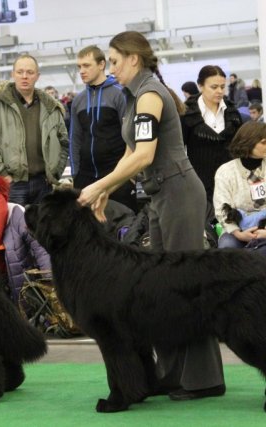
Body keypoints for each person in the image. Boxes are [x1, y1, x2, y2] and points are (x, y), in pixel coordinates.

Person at [77, 31, 225, 401]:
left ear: (133, 59)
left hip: (179, 194)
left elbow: (144, 155)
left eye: (113, 61)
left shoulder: (150, 95)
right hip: (160, 197)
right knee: (162, 291)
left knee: (186, 286)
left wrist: (97, 188)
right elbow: (131, 153)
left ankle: (203, 379)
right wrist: (106, 188)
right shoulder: (134, 98)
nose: (110, 68)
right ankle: (173, 374)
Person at [0, 54, 69, 205]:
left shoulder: (51, 107)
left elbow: (63, 142)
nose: (24, 76)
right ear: (13, 74)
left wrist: (55, 172)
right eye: (20, 72)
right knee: (13, 228)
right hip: (12, 185)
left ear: (37, 76)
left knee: (43, 228)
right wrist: (3, 175)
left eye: (30, 72)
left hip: (43, 184)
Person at [213, 121, 266, 262]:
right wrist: (238, 234)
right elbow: (221, 206)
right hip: (236, 231)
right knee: (227, 250)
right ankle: (248, 259)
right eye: (263, 142)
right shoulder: (225, 171)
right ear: (248, 142)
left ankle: (245, 260)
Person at [70, 45, 134, 211]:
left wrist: (130, 174)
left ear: (101, 65)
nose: (82, 71)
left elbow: (130, 136)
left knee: (123, 225)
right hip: (85, 177)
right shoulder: (78, 101)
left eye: (86, 65)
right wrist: (75, 174)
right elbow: (75, 139)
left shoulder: (120, 94)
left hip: (116, 175)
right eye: (79, 67)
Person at [181, 65, 243, 203]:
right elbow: (178, 149)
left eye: (222, 87)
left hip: (231, 184)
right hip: (199, 185)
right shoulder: (187, 114)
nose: (219, 91)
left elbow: (242, 146)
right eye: (214, 87)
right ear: (200, 86)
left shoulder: (233, 112)